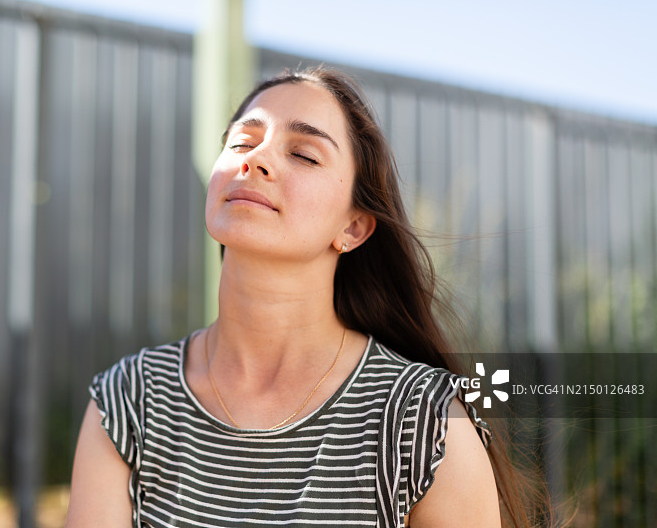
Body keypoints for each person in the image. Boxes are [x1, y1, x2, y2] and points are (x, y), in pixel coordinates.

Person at [66, 66, 549, 527]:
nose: (255, 159)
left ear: (353, 227)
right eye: (242, 141)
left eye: (304, 154)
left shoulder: (424, 421)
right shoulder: (128, 399)